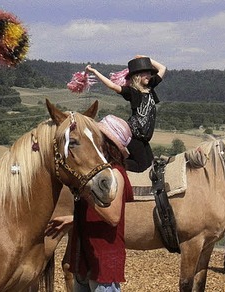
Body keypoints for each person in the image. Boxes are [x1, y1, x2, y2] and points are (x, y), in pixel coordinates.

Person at [45, 115, 134, 292]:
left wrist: (84, 192)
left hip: (103, 258)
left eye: (98, 137)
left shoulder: (115, 174)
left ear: (108, 143)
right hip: (85, 256)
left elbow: (114, 217)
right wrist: (73, 220)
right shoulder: (96, 175)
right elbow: (96, 214)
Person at [85, 56, 166, 172]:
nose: (149, 76)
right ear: (137, 76)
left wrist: (145, 58)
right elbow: (112, 86)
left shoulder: (150, 87)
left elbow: (162, 68)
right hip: (134, 135)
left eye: (149, 73)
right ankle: (108, 161)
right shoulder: (132, 92)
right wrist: (94, 71)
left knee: (150, 165)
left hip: (144, 137)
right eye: (145, 73)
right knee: (141, 167)